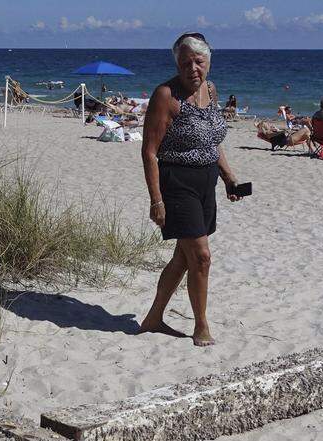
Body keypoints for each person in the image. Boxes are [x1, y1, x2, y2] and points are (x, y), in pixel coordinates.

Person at [139, 32, 243, 347]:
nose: (192, 69)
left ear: (208, 61)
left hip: (206, 183)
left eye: (198, 61)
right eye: (186, 63)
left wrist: (229, 178)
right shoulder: (165, 95)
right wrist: (156, 200)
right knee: (201, 257)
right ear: (178, 65)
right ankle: (201, 327)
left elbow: (212, 140)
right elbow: (149, 152)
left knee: (183, 259)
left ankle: (153, 319)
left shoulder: (211, 91)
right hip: (177, 184)